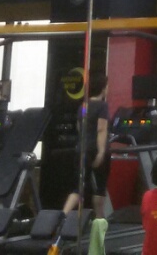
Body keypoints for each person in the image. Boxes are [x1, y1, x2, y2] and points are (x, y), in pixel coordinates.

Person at [62, 71, 110, 216]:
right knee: (99, 188)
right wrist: (101, 152)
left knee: (78, 188)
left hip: (81, 148)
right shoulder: (102, 106)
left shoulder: (83, 106)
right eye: (107, 86)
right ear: (103, 88)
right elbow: (101, 129)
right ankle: (99, 221)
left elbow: (80, 126)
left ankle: (62, 216)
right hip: (94, 148)